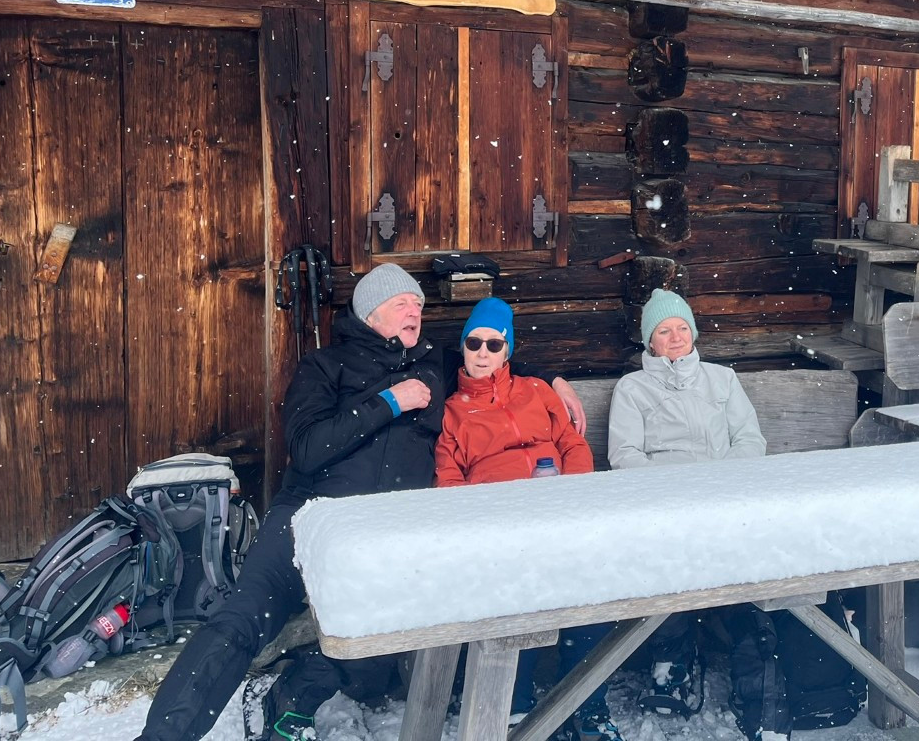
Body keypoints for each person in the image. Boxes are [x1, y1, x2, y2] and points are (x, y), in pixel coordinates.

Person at [134, 265, 587, 741]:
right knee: (243, 621)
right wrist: (389, 402)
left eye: (418, 305)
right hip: (310, 515)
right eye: (402, 304)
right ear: (371, 313)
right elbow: (307, 448)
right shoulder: (325, 366)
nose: (415, 311)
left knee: (382, 644)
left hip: (385, 531)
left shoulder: (435, 363)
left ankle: (292, 694)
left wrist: (555, 379)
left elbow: (492, 357)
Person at [434, 297, 625, 741]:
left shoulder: (536, 390)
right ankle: (515, 707)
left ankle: (586, 704)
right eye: (474, 343)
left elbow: (572, 444)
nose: (483, 353)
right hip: (500, 523)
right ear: (462, 348)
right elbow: (448, 480)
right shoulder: (452, 411)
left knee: (592, 588)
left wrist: (570, 494)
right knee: (516, 596)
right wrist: (485, 520)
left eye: (494, 344)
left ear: (508, 350)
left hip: (559, 510)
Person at [609, 289, 787, 741]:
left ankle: (757, 674)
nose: (675, 337)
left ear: (693, 332)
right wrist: (672, 489)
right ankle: (673, 661)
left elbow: (749, 440)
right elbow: (624, 455)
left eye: (681, 328)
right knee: (670, 560)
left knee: (758, 564)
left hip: (727, 497)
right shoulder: (633, 388)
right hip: (666, 504)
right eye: (664, 331)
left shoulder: (721, 380)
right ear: (650, 342)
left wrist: (722, 481)